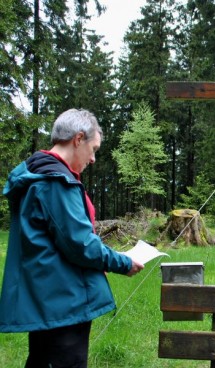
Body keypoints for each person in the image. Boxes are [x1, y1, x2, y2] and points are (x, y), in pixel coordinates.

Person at [0, 109, 144, 367]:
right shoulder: (55, 182)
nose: (93, 159)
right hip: (63, 302)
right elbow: (81, 245)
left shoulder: (39, 175)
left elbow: (60, 243)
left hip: (48, 298)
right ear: (78, 139)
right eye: (94, 148)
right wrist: (123, 262)